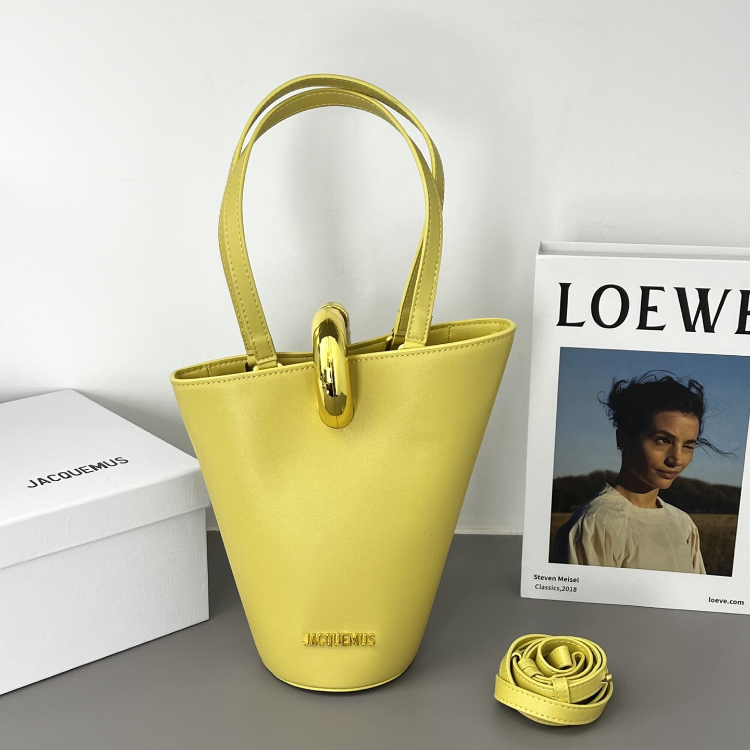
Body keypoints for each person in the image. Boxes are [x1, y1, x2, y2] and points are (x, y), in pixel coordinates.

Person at [552, 373, 717, 574]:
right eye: (663, 440)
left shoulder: (684, 525)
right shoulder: (594, 525)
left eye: (688, 446)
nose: (677, 459)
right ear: (623, 438)